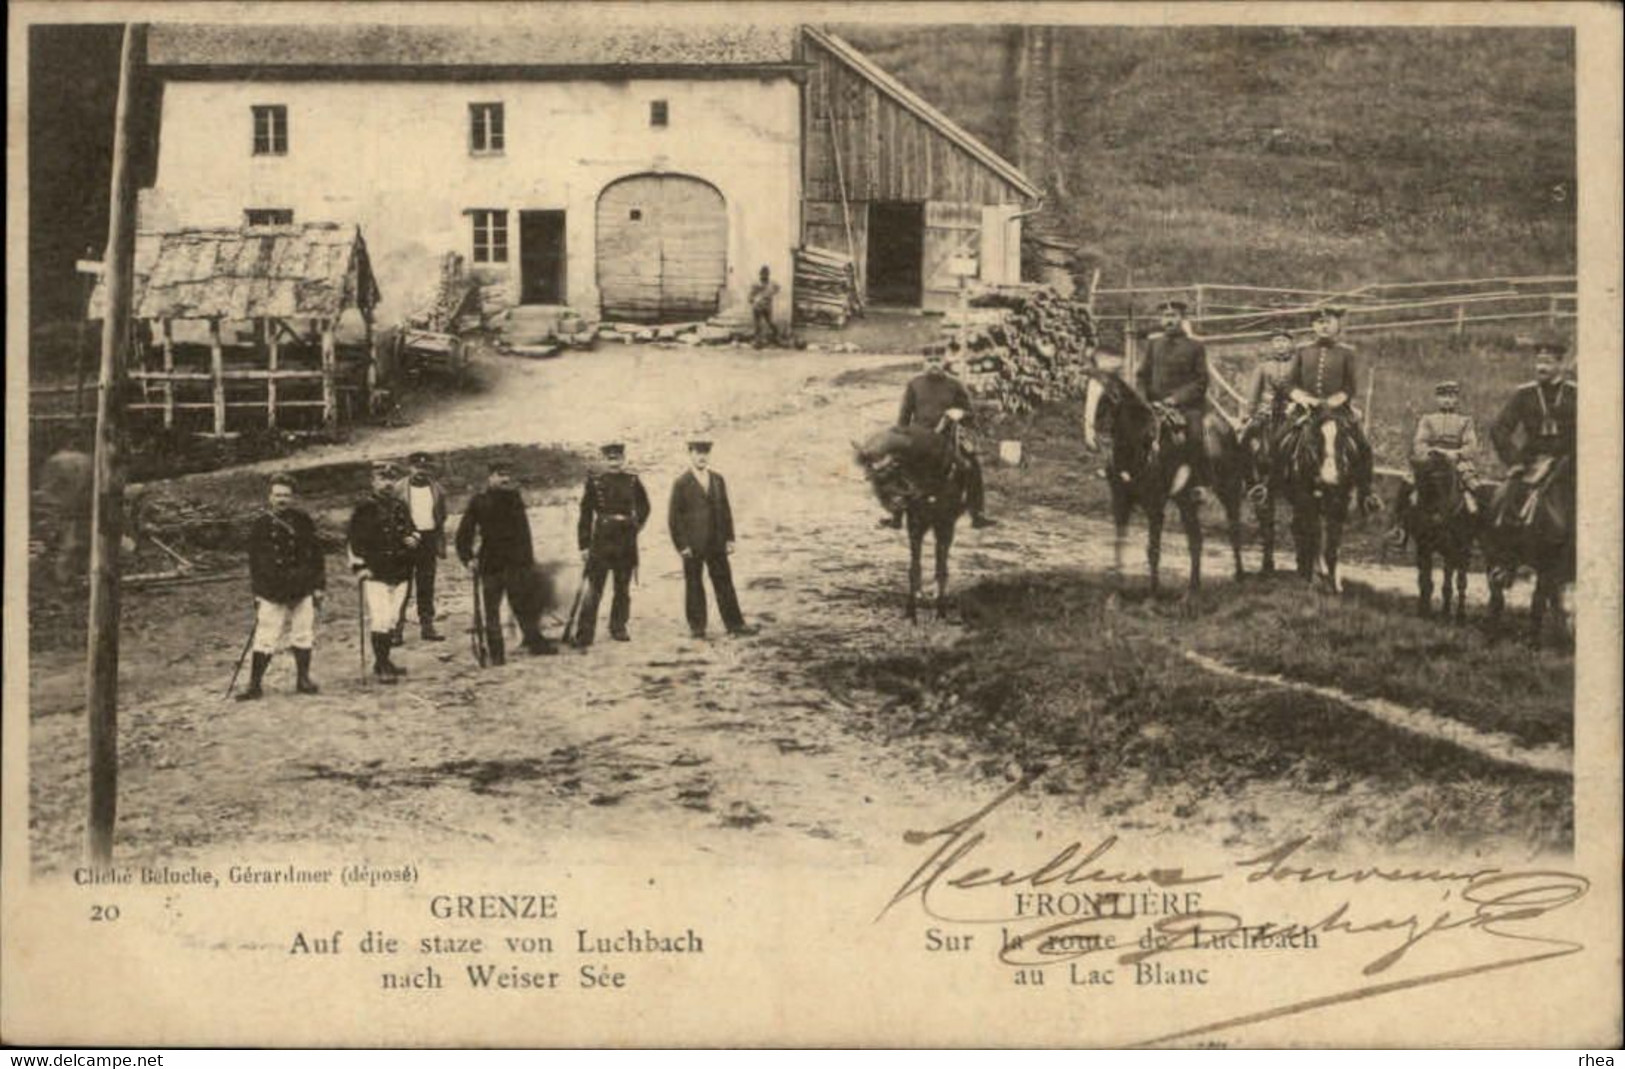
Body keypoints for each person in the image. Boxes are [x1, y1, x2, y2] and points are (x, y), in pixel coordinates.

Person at [879, 347, 996, 529]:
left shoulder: (955, 385)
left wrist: (960, 413)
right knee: (897, 466)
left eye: (938, 360)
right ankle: (896, 517)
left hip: (947, 438)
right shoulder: (914, 384)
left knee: (972, 466)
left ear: (945, 361)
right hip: (920, 438)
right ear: (924, 362)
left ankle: (977, 515)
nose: (934, 364)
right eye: (930, 360)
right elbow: (904, 417)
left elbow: (970, 414)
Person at [455, 461, 557, 665]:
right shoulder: (478, 501)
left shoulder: (513, 498)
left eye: (507, 475)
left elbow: (524, 533)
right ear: (490, 477)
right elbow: (463, 534)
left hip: (516, 563)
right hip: (490, 564)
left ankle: (534, 641)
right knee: (492, 610)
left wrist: (529, 562)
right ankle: (496, 653)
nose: (505, 479)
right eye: (500, 475)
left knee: (523, 604)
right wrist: (467, 558)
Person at [239, 474, 326, 700]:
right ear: (270, 497)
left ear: (293, 498)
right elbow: (255, 563)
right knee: (265, 637)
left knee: (303, 634)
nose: (282, 500)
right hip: (272, 589)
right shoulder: (260, 525)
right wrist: (257, 592)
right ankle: (254, 684)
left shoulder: (303, 521)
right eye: (278, 495)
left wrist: (318, 586)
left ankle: (303, 679)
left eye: (286, 495)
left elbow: (316, 555)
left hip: (301, 587)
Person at [1285, 305, 1380, 513]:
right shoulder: (1302, 351)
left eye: (1328, 322)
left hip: (1337, 410)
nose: (1324, 326)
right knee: (1279, 439)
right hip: (1306, 409)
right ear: (1312, 326)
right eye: (1319, 322)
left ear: (1337, 325)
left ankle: (1366, 493)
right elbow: (1289, 383)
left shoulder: (1346, 353)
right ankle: (1269, 487)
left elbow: (1350, 386)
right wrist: (1303, 399)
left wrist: (1333, 401)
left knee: (1363, 446)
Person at [668, 441, 756, 639]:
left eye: (705, 453)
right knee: (694, 584)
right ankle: (697, 628)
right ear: (690, 454)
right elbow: (674, 518)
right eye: (698, 453)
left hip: (716, 542)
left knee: (724, 582)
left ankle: (735, 625)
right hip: (693, 544)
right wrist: (682, 545)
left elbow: (725, 510)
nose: (702, 457)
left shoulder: (717, 480)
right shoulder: (681, 482)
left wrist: (730, 538)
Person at [1489, 335, 1577, 526]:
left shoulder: (1575, 393)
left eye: (1548, 362)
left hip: (1570, 459)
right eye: (1538, 362)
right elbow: (1500, 428)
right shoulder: (1524, 394)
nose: (1541, 368)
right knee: (1503, 502)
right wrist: (1514, 460)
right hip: (1533, 459)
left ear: (1561, 364)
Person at [573, 442, 652, 647]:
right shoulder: (595, 482)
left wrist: (636, 526)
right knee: (594, 588)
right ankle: (585, 632)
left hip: (625, 541)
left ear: (623, 460)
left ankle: (618, 627)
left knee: (622, 587)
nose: (614, 462)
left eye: (618, 458)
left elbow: (645, 506)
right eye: (610, 458)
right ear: (604, 460)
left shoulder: (633, 481)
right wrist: (583, 545)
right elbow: (585, 515)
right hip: (601, 541)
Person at [348, 462, 419, 684]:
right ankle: (382, 665)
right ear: (373, 481)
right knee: (380, 618)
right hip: (376, 572)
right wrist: (360, 568)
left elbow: (412, 529)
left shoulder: (400, 506)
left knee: (393, 619)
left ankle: (384, 661)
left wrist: (413, 538)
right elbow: (352, 541)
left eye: (391, 479)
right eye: (382, 478)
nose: (387, 483)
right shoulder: (364, 509)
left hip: (400, 570)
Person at [1136, 299, 1212, 499]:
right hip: (1154, 404)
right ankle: (1131, 476)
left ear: (1182, 318)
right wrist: (1144, 399)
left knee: (1195, 435)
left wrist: (1175, 399)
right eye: (1165, 316)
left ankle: (1197, 483)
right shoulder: (1154, 345)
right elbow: (1142, 375)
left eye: (1173, 316)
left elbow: (1201, 381)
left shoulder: (1195, 347)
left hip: (1186, 406)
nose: (1168, 320)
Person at [394, 451, 448, 644]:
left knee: (426, 584)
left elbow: (442, 514)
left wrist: (435, 536)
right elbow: (393, 517)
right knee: (403, 585)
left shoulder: (437, 490)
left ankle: (427, 626)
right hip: (406, 542)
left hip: (428, 540)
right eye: (417, 467)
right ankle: (396, 629)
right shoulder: (398, 489)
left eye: (425, 468)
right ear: (410, 468)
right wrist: (404, 536)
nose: (421, 472)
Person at [1409, 380, 1483, 513]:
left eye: (1451, 396)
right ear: (1437, 399)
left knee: (1475, 488)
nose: (1447, 400)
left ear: (1456, 399)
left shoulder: (1465, 421)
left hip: (1457, 462)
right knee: (1408, 485)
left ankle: (1477, 526)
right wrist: (1432, 451)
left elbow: (1471, 446)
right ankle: (1401, 525)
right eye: (1443, 396)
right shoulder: (1428, 419)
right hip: (1432, 460)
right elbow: (1420, 443)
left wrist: (1457, 454)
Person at [1240, 325, 1298, 456]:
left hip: (1292, 409)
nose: (1280, 345)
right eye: (1277, 341)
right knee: (1248, 435)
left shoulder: (1297, 365)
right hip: (1267, 410)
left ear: (1290, 344)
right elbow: (1253, 392)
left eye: (1284, 341)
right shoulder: (1263, 366)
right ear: (1272, 344)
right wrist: (1250, 412)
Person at [749, 265, 781, 349]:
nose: (764, 276)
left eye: (766, 274)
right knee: (757, 325)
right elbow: (750, 296)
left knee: (770, 322)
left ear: (768, 275)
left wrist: (771, 293)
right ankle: (757, 342)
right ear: (760, 274)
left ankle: (776, 337)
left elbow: (778, 288)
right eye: (762, 274)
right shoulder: (756, 284)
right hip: (757, 307)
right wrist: (753, 299)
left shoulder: (771, 284)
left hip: (767, 307)